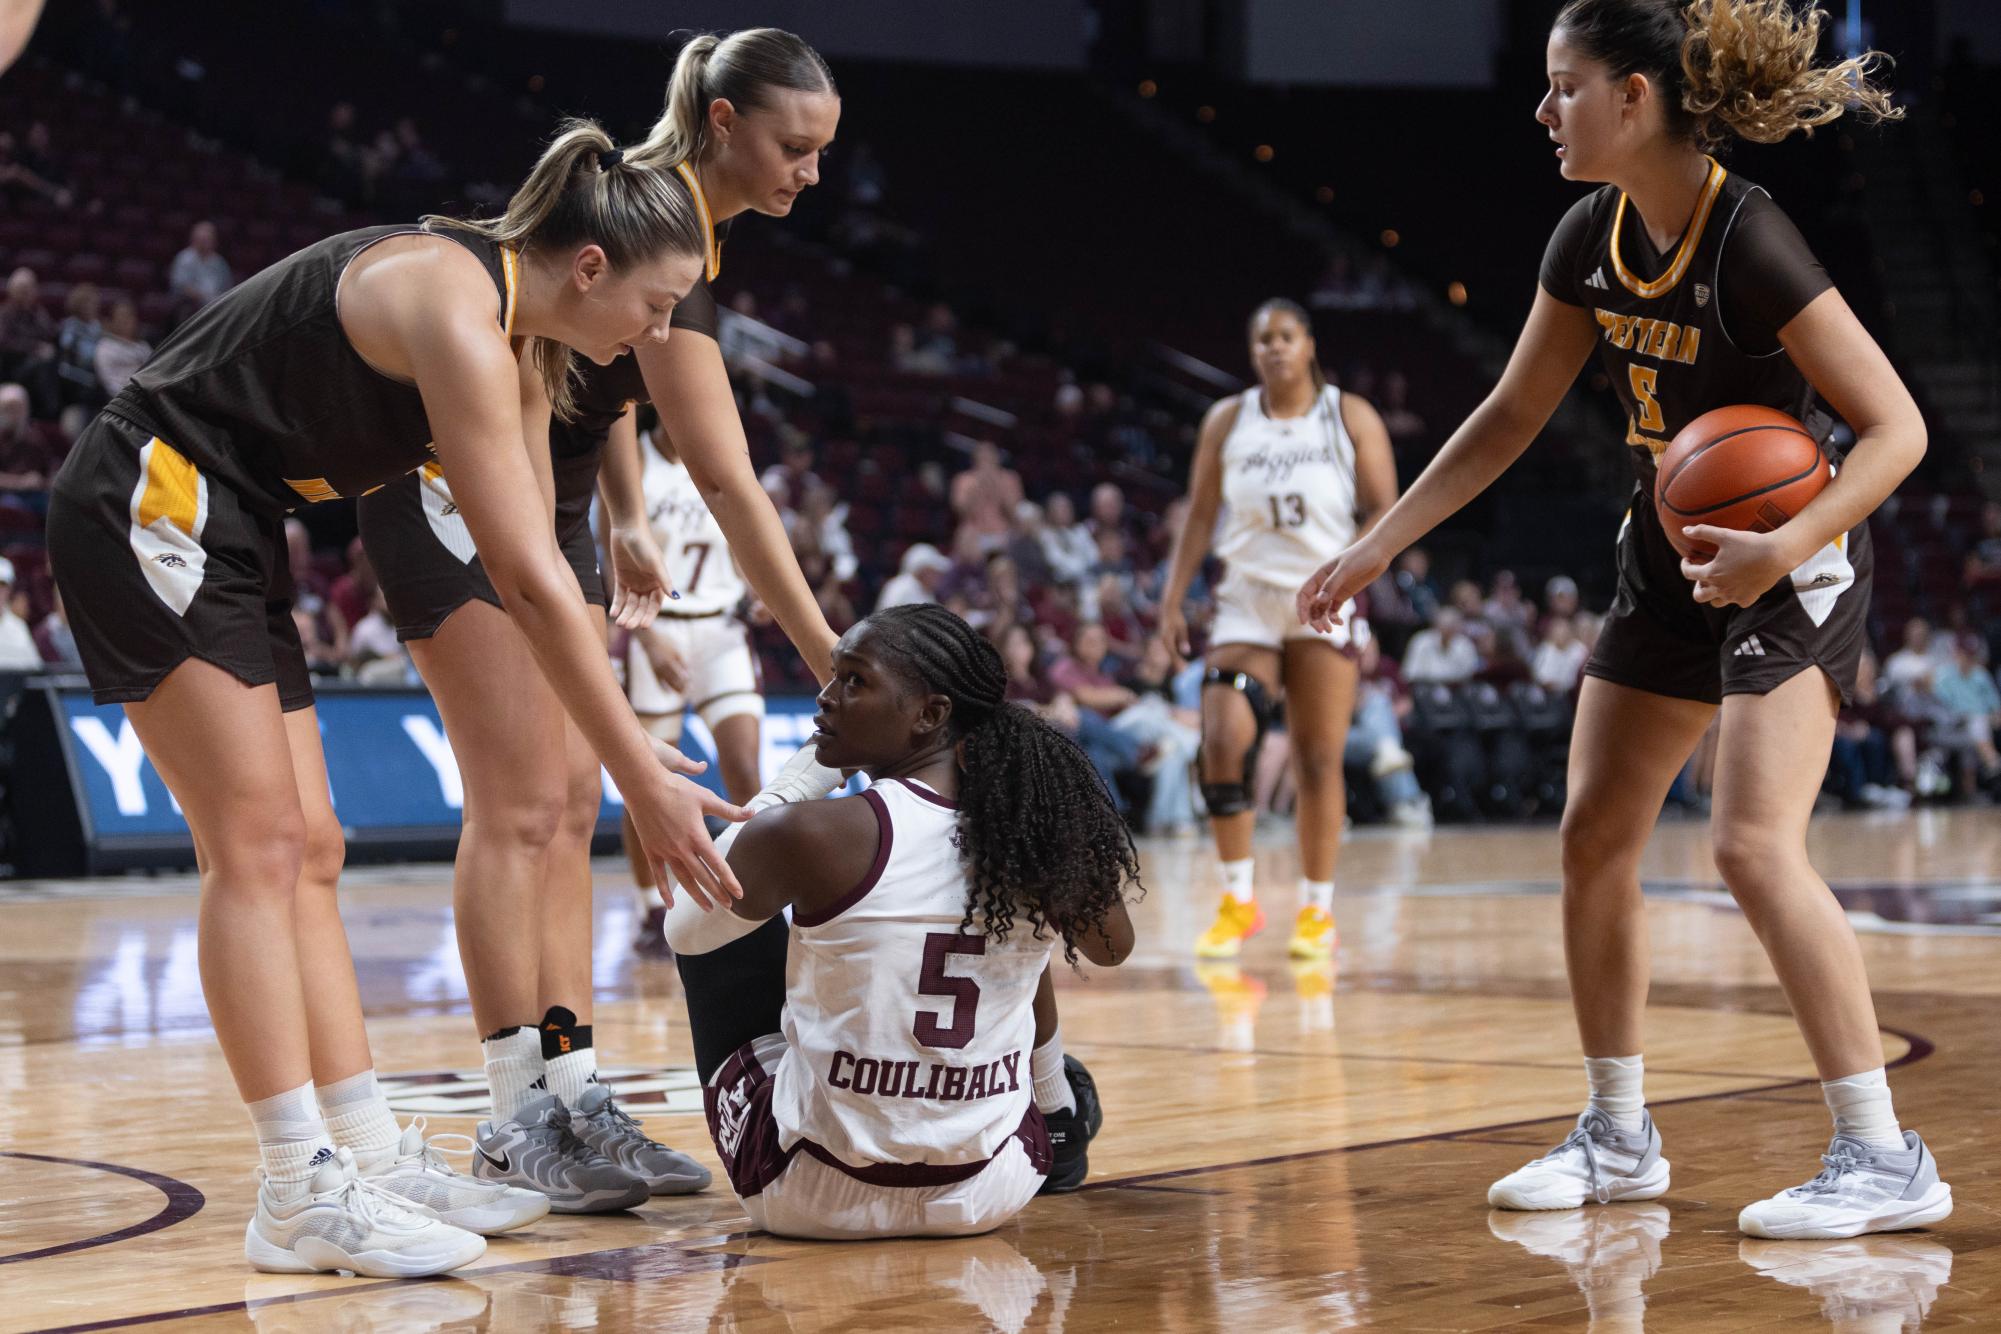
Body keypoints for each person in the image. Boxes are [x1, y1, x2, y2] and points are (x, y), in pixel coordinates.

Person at [46, 116, 750, 1276]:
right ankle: (296, 1187)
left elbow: (543, 561)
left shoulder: (516, 334)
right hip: (150, 498)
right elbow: (520, 576)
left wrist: (618, 749)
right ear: (589, 268)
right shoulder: (456, 308)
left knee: (311, 842)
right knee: (260, 848)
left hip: (228, 518)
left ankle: (363, 1149)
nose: (659, 332)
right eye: (657, 303)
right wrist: (635, 767)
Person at [1297, 0, 1946, 1239]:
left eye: (1564, 87)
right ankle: (1616, 1132)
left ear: (1635, 97)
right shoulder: (1587, 233)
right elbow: (1508, 412)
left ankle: (1883, 1151)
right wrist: (1379, 542)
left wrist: (1785, 544)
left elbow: (1898, 425)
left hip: (1787, 555)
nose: (1544, 112)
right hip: (1669, 549)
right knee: (1594, 833)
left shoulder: (1749, 235)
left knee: (1751, 845)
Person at [351, 27, 842, 1212]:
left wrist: (621, 506)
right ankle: (514, 1108)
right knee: (517, 802)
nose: (811, 173)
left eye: (824, 150)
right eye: (795, 145)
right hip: (454, 490)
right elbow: (725, 478)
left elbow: (595, 372)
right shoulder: (657, 209)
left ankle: (575, 1088)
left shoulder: (682, 223)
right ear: (724, 124)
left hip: (555, 498)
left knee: (572, 803)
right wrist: (836, 655)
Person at [665, 604, 1140, 1236]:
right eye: (833, 677)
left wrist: (796, 782)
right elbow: (1111, 947)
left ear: (930, 714)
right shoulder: (1029, 828)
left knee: (726, 929)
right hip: (990, 1188)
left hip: (807, 1193)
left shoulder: (809, 832)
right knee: (1007, 922)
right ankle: (1055, 1109)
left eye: (854, 680)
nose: (825, 697)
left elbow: (686, 930)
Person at [1158, 297, 1398, 961]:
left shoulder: (1347, 415)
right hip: (1246, 599)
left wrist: (1352, 574)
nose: (1272, 348)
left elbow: (1384, 507)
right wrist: (1171, 599)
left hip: (1324, 593)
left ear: (1308, 344)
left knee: (1317, 756)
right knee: (1223, 734)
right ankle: (1238, 900)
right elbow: (1200, 513)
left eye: (1285, 336)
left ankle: (1317, 911)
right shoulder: (1227, 419)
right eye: (1262, 338)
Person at [624, 413, 767, 952]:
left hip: (722, 633)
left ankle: (759, 899)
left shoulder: (720, 453)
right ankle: (648, 908)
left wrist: (758, 592)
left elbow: (745, 539)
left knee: (747, 770)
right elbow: (607, 553)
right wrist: (645, 636)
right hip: (659, 626)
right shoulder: (635, 458)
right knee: (647, 781)